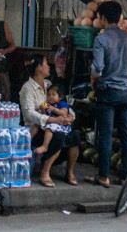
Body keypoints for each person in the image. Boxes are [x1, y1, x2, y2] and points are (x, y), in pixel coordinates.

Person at [88, 0, 127, 188]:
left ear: (103, 18)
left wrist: (93, 79)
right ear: (120, 18)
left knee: (106, 134)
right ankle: (126, 176)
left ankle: (103, 176)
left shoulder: (101, 39)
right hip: (126, 93)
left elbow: (98, 68)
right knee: (126, 134)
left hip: (107, 92)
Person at [20, 53, 80, 187]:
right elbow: (29, 114)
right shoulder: (27, 89)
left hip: (55, 124)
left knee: (75, 136)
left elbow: (60, 104)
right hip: (35, 130)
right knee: (57, 136)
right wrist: (52, 119)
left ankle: (69, 172)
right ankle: (45, 172)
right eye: (46, 64)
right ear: (38, 68)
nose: (49, 67)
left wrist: (69, 116)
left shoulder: (49, 85)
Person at [34, 85, 72, 155]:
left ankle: (45, 146)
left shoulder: (62, 103)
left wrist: (54, 109)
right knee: (37, 125)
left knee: (49, 128)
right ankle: (28, 141)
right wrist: (43, 109)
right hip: (53, 123)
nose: (50, 96)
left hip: (62, 125)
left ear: (60, 97)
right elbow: (46, 116)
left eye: (53, 94)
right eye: (49, 95)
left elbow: (64, 113)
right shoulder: (51, 106)